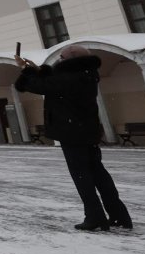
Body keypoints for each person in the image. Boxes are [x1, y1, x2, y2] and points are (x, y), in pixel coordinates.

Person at [14, 44, 132, 232]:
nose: (59, 60)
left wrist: (25, 70)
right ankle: (119, 215)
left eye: (62, 57)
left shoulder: (71, 77)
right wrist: (37, 69)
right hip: (87, 130)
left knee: (82, 175)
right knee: (99, 173)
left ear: (71, 59)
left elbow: (40, 86)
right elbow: (55, 81)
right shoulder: (86, 73)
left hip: (71, 131)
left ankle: (94, 217)